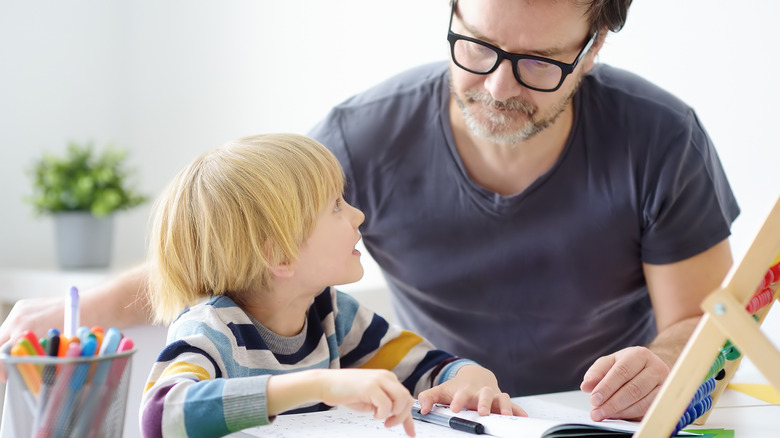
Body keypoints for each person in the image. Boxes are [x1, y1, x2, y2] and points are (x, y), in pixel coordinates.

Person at [0, 0, 739, 423]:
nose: (495, 85)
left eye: (540, 63)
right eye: (475, 46)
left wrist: (666, 365)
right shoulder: (363, 136)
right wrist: (81, 308)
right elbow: (225, 247)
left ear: (592, 45)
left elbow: (710, 328)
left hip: (595, 420)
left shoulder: (660, 138)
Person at [138, 134, 522, 438]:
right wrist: (319, 385)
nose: (358, 215)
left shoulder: (330, 312)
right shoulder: (210, 329)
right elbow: (160, 416)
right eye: (336, 206)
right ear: (280, 257)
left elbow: (428, 367)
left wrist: (469, 379)